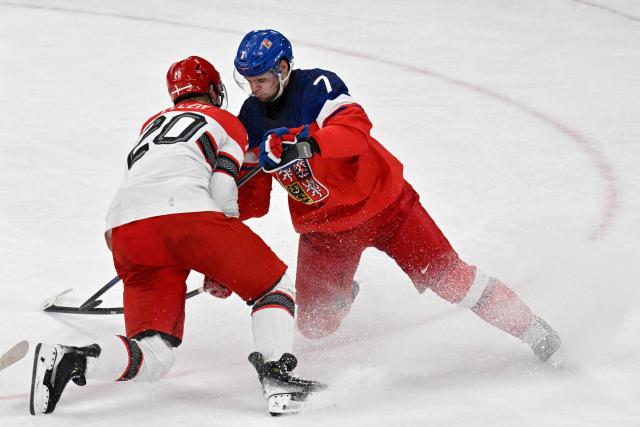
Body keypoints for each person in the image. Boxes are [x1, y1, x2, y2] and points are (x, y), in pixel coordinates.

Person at [231, 29, 561, 361]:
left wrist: (302, 144)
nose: (254, 88)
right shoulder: (251, 119)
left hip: (388, 208)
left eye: (260, 80)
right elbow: (255, 202)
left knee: (451, 279)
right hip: (326, 233)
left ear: (283, 69)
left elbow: (355, 133)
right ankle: (344, 293)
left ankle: (532, 328)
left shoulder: (317, 87)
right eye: (248, 81)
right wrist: (218, 248)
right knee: (315, 326)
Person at [29, 56, 324, 417]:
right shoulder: (225, 120)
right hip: (186, 216)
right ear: (216, 90)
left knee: (153, 352)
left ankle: (73, 360)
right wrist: (222, 259)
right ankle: (279, 380)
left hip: (124, 230)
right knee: (273, 287)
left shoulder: (149, 125)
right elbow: (220, 187)